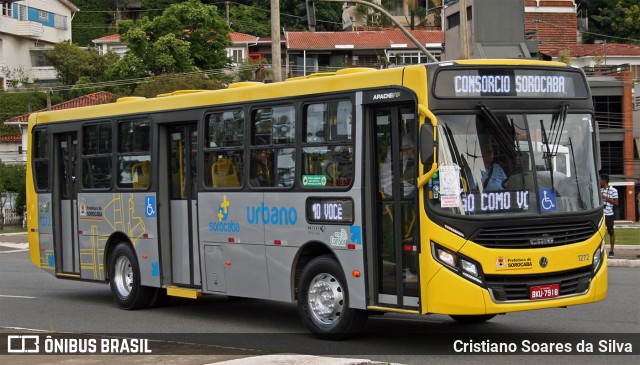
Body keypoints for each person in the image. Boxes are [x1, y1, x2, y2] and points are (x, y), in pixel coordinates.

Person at [600, 173, 618, 257]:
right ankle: (601, 250)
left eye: (600, 180)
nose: (599, 181)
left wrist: (605, 197)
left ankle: (611, 251)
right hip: (601, 214)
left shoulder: (613, 190)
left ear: (603, 181)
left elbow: (616, 202)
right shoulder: (600, 190)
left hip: (609, 214)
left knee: (611, 232)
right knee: (600, 234)